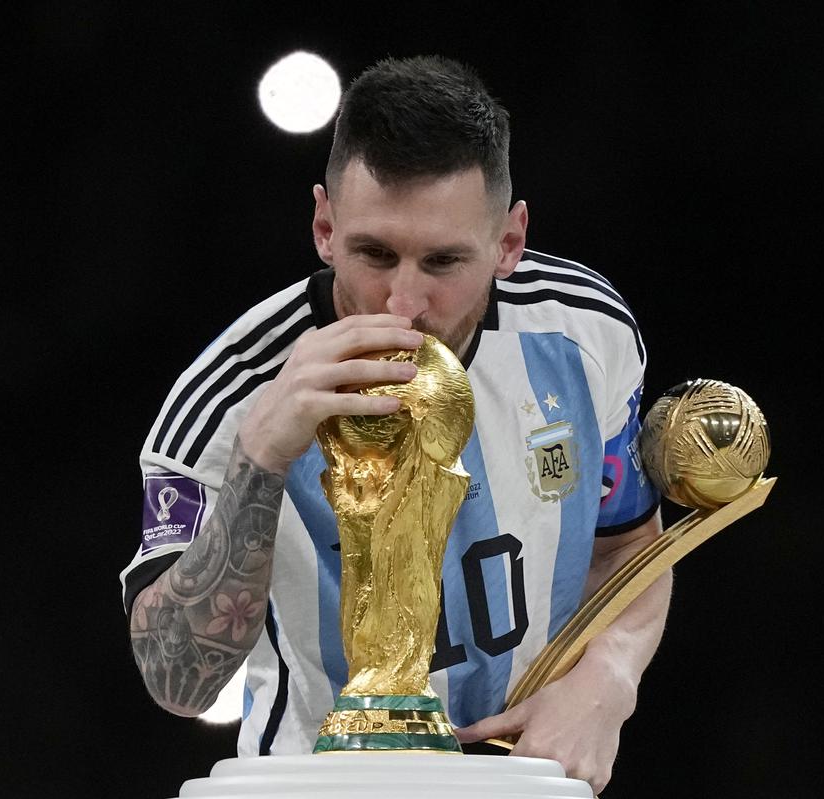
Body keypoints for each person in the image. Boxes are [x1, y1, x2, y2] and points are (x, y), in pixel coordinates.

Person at [120, 55, 670, 794]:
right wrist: (259, 457)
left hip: (523, 784)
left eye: (444, 261)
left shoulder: (584, 334)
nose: (403, 303)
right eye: (374, 254)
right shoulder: (227, 401)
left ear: (510, 242)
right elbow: (177, 679)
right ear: (323, 226)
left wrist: (611, 671)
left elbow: (631, 542)